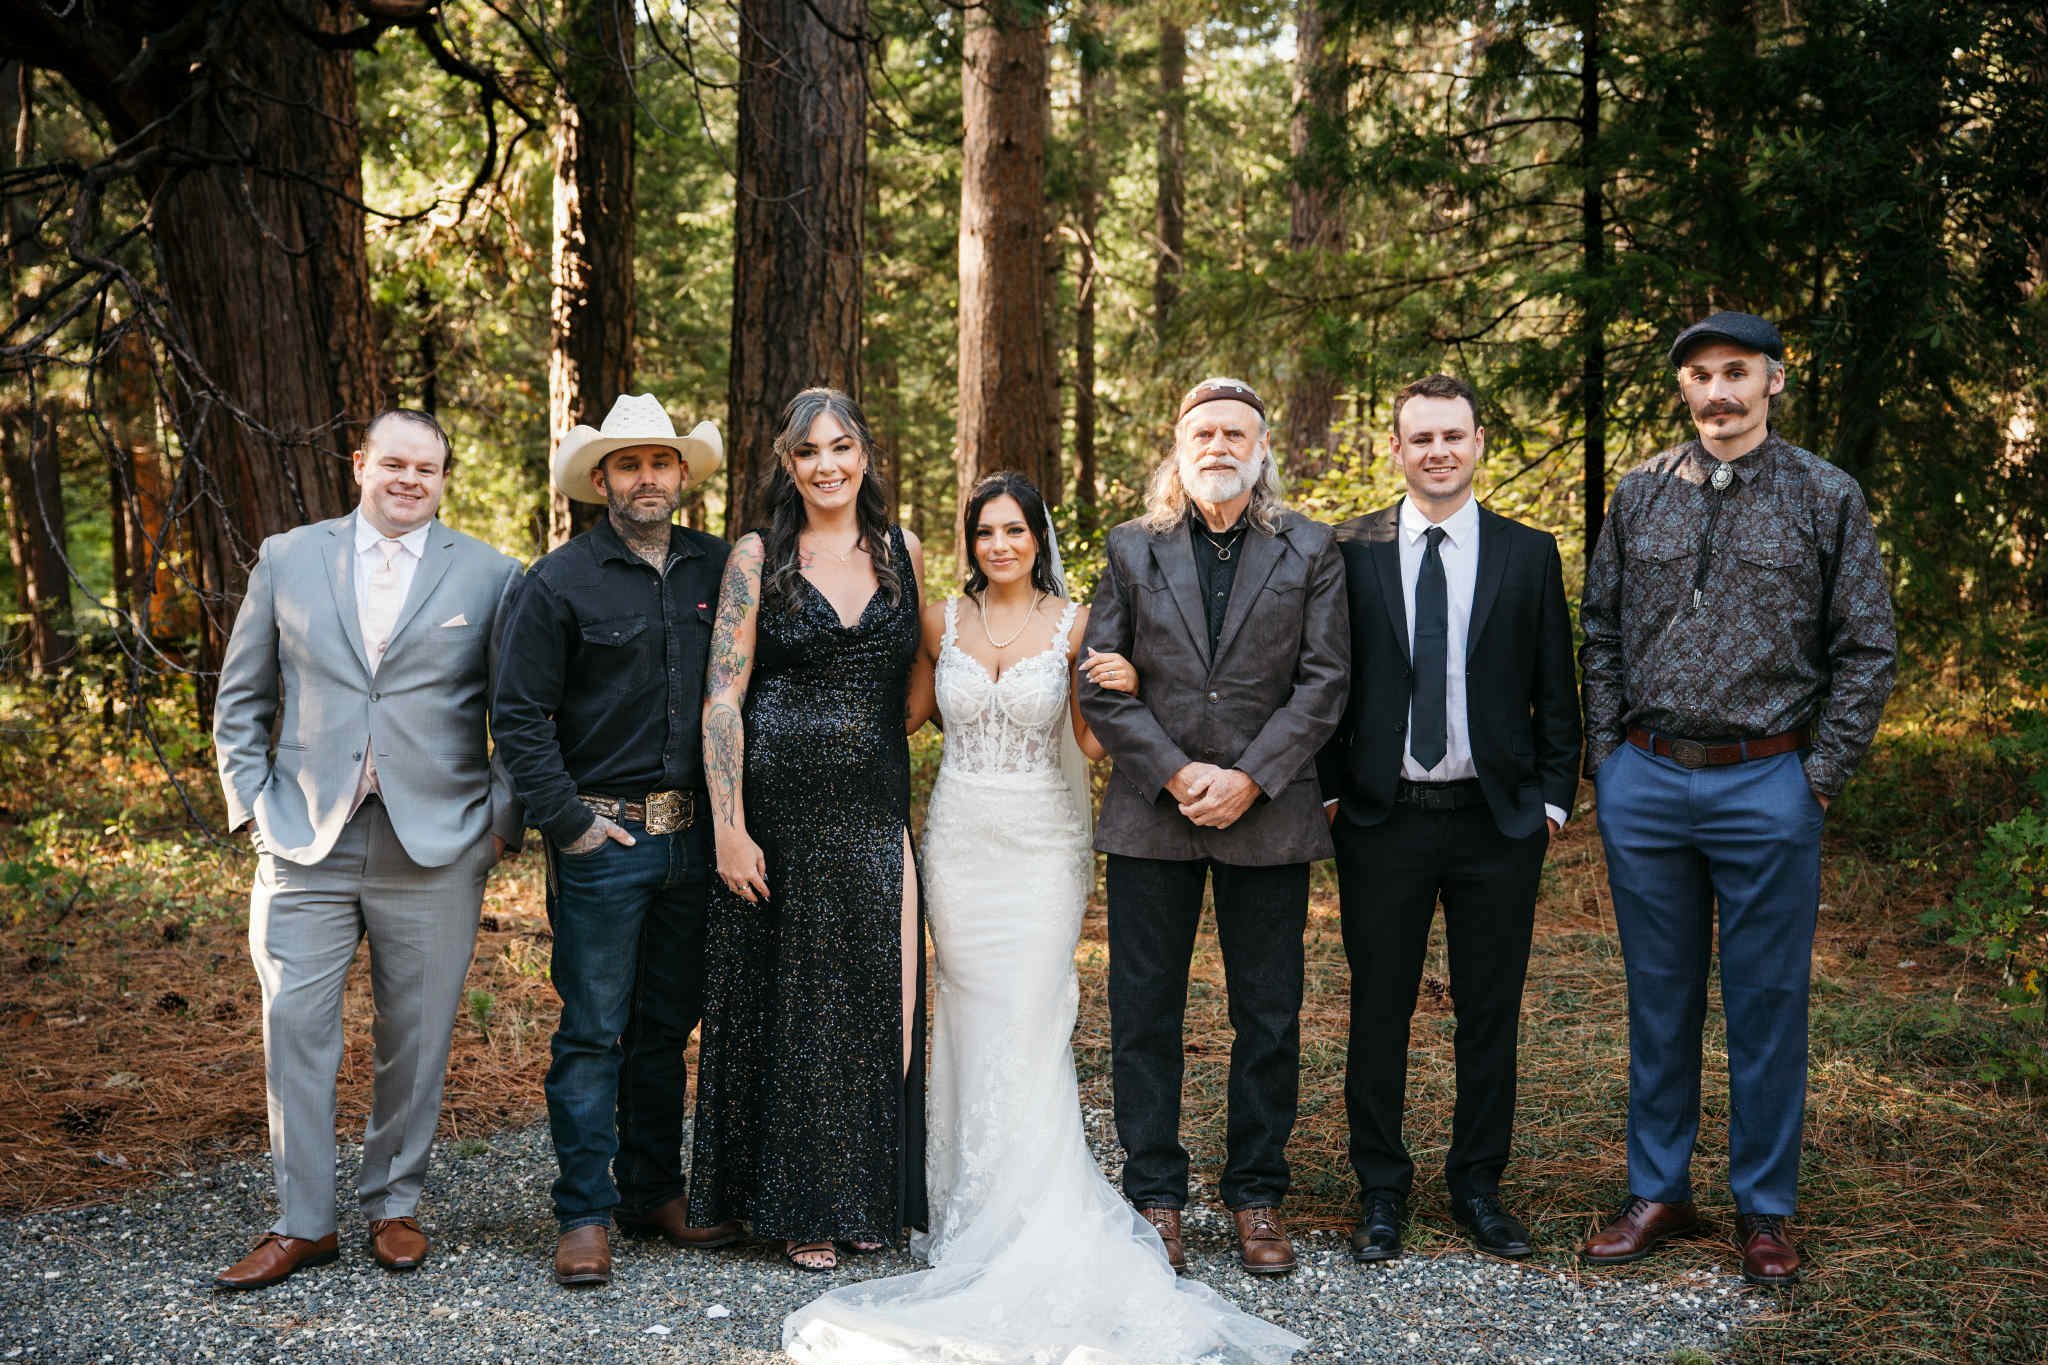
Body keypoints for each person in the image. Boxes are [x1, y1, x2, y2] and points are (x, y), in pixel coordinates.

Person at [783, 472, 1303, 1364]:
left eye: (1015, 529)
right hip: (958, 836)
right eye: (985, 530)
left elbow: (1096, 737)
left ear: (1038, 536)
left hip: (1040, 842)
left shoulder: (1073, 621)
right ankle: (961, 1200)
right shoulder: (940, 619)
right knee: (970, 1008)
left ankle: (1033, 1203)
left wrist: (1128, 673)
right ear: (969, 540)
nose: (1000, 545)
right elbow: (906, 713)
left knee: (1031, 1013)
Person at [1578, 312, 1895, 1286]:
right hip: (1647, 779)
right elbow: (1596, 629)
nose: (1716, 392)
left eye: (1735, 373)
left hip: (1768, 781)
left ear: (1771, 382)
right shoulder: (1639, 494)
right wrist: (1605, 761)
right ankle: (1657, 1189)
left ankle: (1763, 1208)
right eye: (1700, 376)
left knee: (1766, 1003)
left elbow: (1866, 647)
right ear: (1682, 389)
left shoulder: (1822, 494)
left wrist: (1817, 778)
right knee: (1658, 999)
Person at [210, 409, 522, 1289]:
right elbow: (242, 698)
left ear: (444, 477)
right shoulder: (288, 556)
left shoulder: (492, 573)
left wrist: (498, 823)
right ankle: (302, 1221)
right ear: (361, 465)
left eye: (428, 468)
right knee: (294, 1029)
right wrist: (252, 810)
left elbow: (521, 710)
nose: (409, 480)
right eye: (394, 463)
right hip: (305, 836)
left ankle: (393, 1203)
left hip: (436, 843)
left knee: (415, 1037)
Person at [1079, 378, 1350, 1277]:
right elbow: (1099, 681)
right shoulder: (1131, 547)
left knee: (1268, 1016)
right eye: (1205, 432)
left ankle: (1257, 1194)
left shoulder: (1310, 546)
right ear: (1179, 446)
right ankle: (1155, 1193)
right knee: (1142, 1014)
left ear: (1263, 448)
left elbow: (1325, 683)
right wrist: (1178, 770)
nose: (1221, 445)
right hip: (1153, 812)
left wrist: (1249, 778)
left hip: (1266, 814)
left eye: (1237, 432)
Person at [1317, 374, 1581, 1265]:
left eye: (1453, 436)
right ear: (1395, 449)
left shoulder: (1527, 553)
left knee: (1490, 1012)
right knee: (1378, 1008)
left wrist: (1550, 798)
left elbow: (1558, 688)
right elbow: (1322, 680)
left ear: (1478, 445)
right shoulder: (1347, 551)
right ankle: (1381, 1189)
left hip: (1494, 821)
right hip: (1381, 817)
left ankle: (1478, 1185)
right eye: (1420, 437)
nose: (1437, 451)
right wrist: (1329, 791)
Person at [491, 393, 734, 1287]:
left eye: (659, 462)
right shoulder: (558, 580)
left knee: (666, 1027)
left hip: (694, 842)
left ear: (682, 477)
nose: (645, 477)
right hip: (604, 842)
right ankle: (583, 1215)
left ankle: (651, 1191)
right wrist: (571, 824)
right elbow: (518, 716)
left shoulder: (719, 568)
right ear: (601, 480)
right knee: (593, 1030)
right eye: (627, 464)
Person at [685, 387, 927, 1272]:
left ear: (866, 452)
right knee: (787, 1006)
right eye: (808, 451)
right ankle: (796, 1206)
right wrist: (727, 823)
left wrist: (858, 739)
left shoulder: (904, 551)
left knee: (878, 998)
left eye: (842, 446)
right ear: (787, 464)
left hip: (871, 809)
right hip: (776, 817)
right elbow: (723, 693)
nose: (827, 464)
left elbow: (920, 680)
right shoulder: (759, 554)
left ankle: (864, 1195)